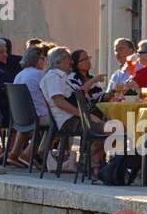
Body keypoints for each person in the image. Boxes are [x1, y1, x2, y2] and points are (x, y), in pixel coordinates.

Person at [40, 46, 106, 177]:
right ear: (60, 61)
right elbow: (59, 102)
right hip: (67, 120)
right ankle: (94, 164)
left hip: (74, 117)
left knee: (111, 126)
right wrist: (86, 117)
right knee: (111, 128)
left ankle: (92, 162)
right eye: (68, 59)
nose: (71, 62)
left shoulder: (61, 77)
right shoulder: (53, 77)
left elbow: (76, 95)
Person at [10, 44, 50, 166]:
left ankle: (14, 154)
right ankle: (28, 155)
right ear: (38, 59)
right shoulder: (40, 74)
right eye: (43, 59)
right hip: (36, 115)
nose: (45, 62)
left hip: (20, 116)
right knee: (57, 122)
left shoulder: (19, 75)